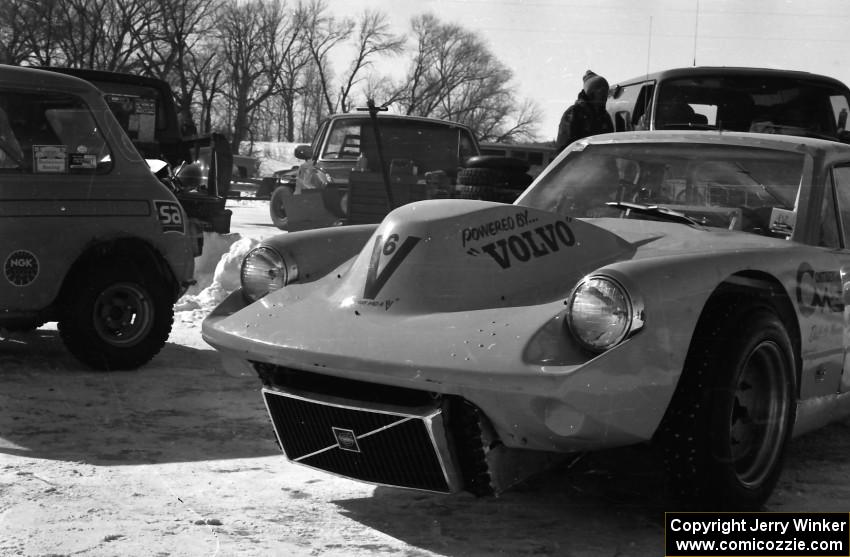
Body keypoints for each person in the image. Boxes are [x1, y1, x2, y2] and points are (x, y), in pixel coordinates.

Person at [555, 70, 614, 153]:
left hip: (601, 163)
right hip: (579, 163)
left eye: (605, 93)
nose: (604, 97)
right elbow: (564, 149)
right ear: (591, 93)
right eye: (601, 92)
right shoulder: (574, 113)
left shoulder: (605, 117)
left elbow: (611, 145)